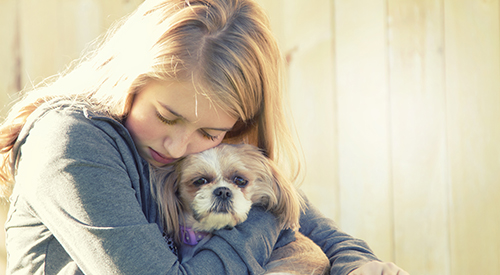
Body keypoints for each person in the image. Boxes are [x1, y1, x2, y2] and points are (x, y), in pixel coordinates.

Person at [0, 0, 409, 274]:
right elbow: (279, 212)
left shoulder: (202, 154)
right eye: (166, 116)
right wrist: (262, 212)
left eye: (210, 132)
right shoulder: (70, 140)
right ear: (130, 79)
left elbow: (326, 237)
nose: (177, 147)